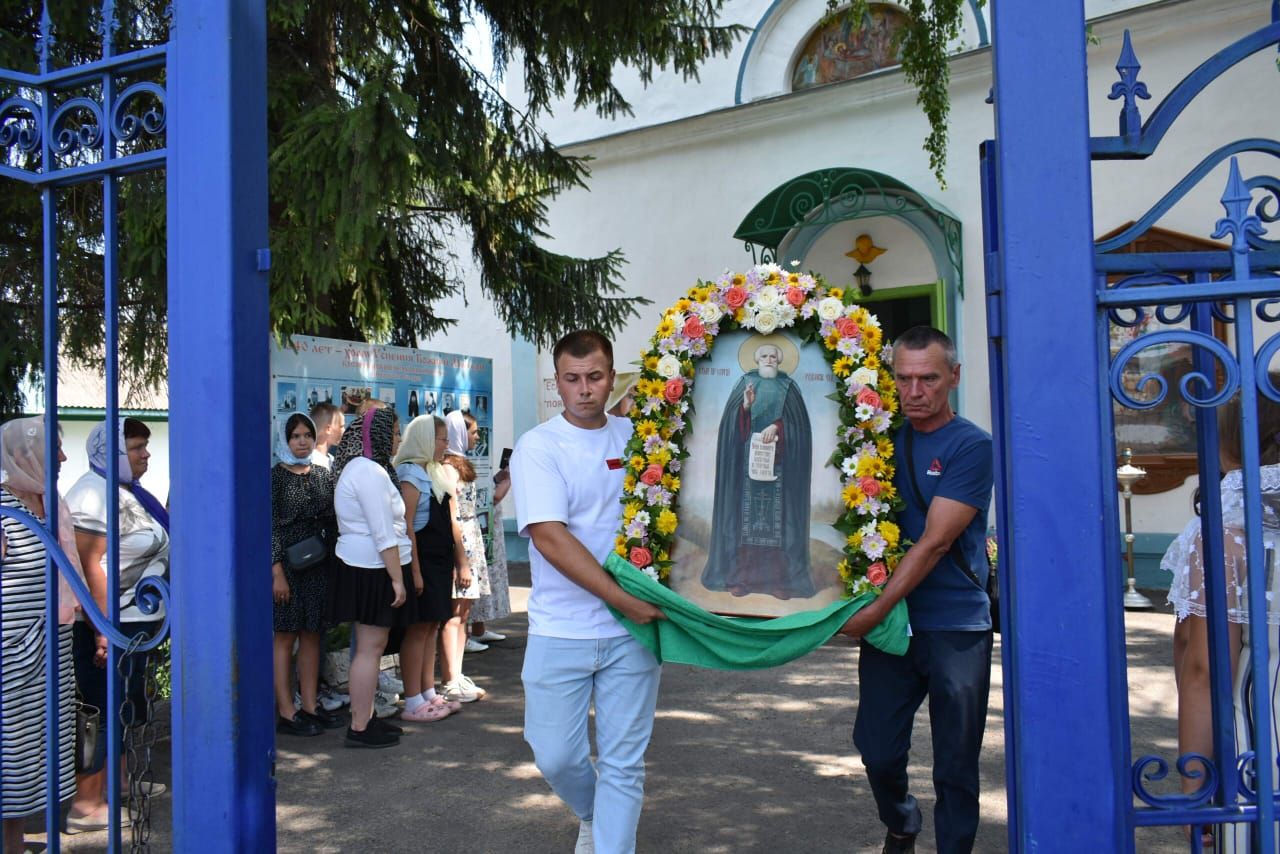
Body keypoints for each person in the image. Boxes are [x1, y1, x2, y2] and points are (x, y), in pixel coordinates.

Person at [837, 326, 993, 854]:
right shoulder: (876, 440)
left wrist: (871, 611)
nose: (914, 391)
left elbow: (934, 543)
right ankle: (902, 820)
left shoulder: (971, 445)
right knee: (877, 750)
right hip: (893, 627)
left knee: (956, 761)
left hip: (955, 623)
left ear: (953, 376)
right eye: (903, 379)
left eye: (928, 378)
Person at [511, 329, 667, 854]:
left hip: (632, 634)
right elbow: (551, 537)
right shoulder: (539, 446)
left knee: (624, 762)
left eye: (594, 377)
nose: (584, 389)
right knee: (554, 755)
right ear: (558, 382)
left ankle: (608, 842)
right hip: (562, 626)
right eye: (572, 379)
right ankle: (592, 814)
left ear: (610, 376)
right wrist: (622, 599)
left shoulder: (637, 439)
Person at [1164, 380, 1280, 851]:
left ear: (1229, 441)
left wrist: (1195, 791)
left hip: (1260, 725)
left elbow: (1204, 669)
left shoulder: (1226, 532)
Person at [65, 417, 171, 831]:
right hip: (109, 627)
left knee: (126, 706)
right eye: (136, 447)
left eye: (145, 445)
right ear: (110, 452)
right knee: (99, 710)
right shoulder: (91, 495)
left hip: (135, 621)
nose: (146, 453)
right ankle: (86, 805)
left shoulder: (126, 492)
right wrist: (101, 629)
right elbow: (92, 567)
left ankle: (122, 783)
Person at [1, 417, 80, 853]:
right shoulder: (2, 510)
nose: (63, 458)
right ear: (21, 456)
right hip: (12, 661)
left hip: (51, 656)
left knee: (35, 762)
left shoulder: (52, 505)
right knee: (8, 761)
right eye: (55, 450)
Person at [701, 340, 815, 599]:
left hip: (780, 470)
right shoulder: (745, 384)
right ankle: (741, 579)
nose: (769, 359)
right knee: (744, 523)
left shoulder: (789, 387)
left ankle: (779, 582)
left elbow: (800, 428)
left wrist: (779, 427)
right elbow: (731, 425)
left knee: (779, 524)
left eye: (774, 356)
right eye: (764, 355)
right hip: (745, 470)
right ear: (756, 359)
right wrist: (745, 407)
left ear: (779, 360)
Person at [329, 408, 415, 748]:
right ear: (377, 434)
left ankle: (365, 719)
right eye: (394, 433)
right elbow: (383, 533)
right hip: (373, 570)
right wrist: (397, 579)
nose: (397, 440)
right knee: (369, 649)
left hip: (370, 566)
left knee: (371, 648)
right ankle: (361, 726)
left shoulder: (368, 468)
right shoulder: (368, 472)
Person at [271, 413, 343, 736]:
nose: (301, 441)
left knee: (313, 634)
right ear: (285, 439)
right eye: (295, 435)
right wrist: (276, 574)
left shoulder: (321, 474)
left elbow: (332, 519)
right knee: (285, 636)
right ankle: (287, 712)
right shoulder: (274, 478)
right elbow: (269, 528)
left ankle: (310, 707)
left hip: (318, 566)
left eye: (306, 435)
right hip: (286, 567)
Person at [392, 414, 461, 723]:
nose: (446, 444)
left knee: (432, 626)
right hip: (423, 561)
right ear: (423, 439)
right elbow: (407, 528)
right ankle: (412, 698)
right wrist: (416, 572)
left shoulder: (433, 471)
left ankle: (427, 690)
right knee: (417, 629)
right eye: (441, 438)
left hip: (439, 560)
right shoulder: (409, 474)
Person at [438, 410, 492, 701]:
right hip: (461, 546)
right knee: (454, 615)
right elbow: (452, 516)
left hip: (472, 542)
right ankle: (449, 680)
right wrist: (461, 560)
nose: (476, 436)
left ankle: (457, 674)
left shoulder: (461, 464)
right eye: (471, 431)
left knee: (465, 613)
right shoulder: (447, 468)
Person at [470, 469, 513, 647]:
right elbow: (490, 498)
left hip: (487, 526)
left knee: (483, 577)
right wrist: (509, 480)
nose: (476, 438)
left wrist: (496, 479)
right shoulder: (457, 463)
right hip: (475, 527)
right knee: (474, 579)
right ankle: (461, 636)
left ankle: (478, 629)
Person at [309, 401, 343, 469]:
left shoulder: (331, 459)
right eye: (341, 426)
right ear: (328, 429)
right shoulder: (313, 464)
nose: (344, 430)